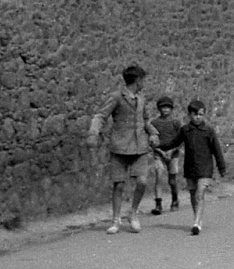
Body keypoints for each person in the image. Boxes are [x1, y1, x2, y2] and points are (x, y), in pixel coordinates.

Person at [88, 63, 157, 235]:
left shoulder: (142, 99)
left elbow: (146, 120)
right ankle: (115, 220)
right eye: (143, 80)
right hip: (119, 147)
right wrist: (93, 132)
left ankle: (133, 213)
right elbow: (100, 115)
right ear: (138, 80)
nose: (144, 84)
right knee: (119, 184)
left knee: (142, 181)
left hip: (140, 146)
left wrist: (154, 134)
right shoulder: (116, 97)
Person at [169, 98, 226, 235]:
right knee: (193, 194)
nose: (198, 117)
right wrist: (159, 144)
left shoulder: (208, 130)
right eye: (195, 115)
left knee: (200, 194)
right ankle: (198, 220)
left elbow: (216, 150)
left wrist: (221, 167)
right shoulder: (185, 130)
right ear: (190, 115)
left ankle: (196, 223)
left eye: (201, 114)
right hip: (190, 167)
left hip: (205, 168)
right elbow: (173, 143)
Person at [148, 95, 182, 214]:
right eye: (163, 108)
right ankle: (158, 204)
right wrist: (161, 152)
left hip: (173, 153)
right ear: (159, 109)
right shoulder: (154, 123)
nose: (165, 110)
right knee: (159, 177)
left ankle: (175, 199)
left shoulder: (176, 123)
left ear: (172, 109)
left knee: (172, 179)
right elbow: (151, 141)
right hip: (159, 153)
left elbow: (181, 139)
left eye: (168, 107)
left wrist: (172, 151)